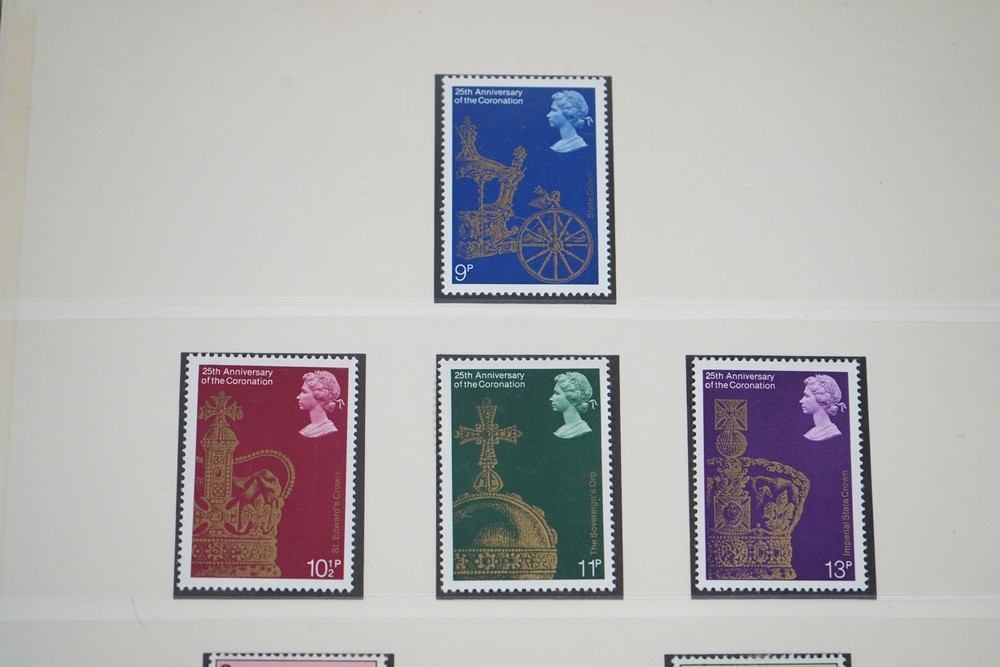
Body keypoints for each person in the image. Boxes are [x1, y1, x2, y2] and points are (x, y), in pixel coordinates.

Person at [799, 374, 846, 441]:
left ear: (821, 398)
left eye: (806, 396)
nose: (801, 400)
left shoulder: (832, 432)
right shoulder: (811, 432)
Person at [297, 370, 343, 438]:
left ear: (319, 397)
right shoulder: (307, 429)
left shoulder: (328, 429)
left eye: (304, 392)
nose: (298, 397)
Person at [550, 372, 596, 438]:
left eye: (557, 393)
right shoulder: (562, 430)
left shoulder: (582, 430)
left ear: (571, 396)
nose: (551, 398)